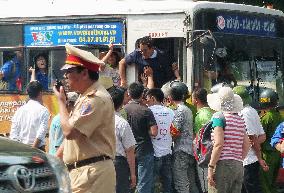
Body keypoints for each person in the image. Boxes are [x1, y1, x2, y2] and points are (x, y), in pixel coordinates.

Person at [53, 43, 116, 193]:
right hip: (83, 173)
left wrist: (61, 103)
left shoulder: (94, 99)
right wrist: (56, 159)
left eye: (69, 71)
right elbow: (76, 137)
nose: (65, 76)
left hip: (92, 173)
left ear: (84, 73)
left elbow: (70, 132)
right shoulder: (85, 97)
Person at [207, 86, 250, 193]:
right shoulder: (240, 120)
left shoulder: (218, 118)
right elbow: (247, 144)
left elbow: (219, 144)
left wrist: (211, 167)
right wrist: (237, 158)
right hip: (238, 166)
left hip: (222, 165)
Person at [233, 85, 268, 193]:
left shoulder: (245, 113)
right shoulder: (252, 111)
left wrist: (260, 157)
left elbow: (252, 138)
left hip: (247, 161)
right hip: (249, 160)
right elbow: (262, 137)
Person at [124, 82, 158, 193]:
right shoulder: (146, 111)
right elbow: (154, 132)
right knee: (144, 182)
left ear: (129, 93)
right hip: (144, 149)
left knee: (129, 181)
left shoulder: (123, 109)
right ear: (142, 94)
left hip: (127, 149)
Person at [168, 85, 201, 193]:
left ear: (170, 98)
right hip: (189, 149)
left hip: (181, 150)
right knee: (191, 182)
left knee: (181, 183)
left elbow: (175, 131)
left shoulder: (180, 110)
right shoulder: (187, 109)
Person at [145, 88, 175, 193]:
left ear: (152, 98)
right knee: (167, 182)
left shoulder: (148, 111)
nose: (146, 101)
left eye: (147, 99)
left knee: (152, 184)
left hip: (154, 153)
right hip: (168, 151)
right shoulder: (170, 111)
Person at [9, 81, 50, 151]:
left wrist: (19, 150)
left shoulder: (19, 110)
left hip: (21, 150)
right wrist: (32, 150)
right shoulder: (44, 110)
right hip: (37, 150)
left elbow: (13, 133)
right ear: (41, 93)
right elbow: (41, 134)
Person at [259, 88, 283, 193]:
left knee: (265, 184)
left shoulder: (265, 118)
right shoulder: (280, 116)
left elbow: (260, 136)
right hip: (277, 153)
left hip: (267, 155)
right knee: (273, 182)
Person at [192, 88, 214, 193]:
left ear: (196, 100)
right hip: (213, 153)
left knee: (205, 184)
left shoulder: (201, 115)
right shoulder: (212, 112)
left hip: (205, 154)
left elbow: (199, 138)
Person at [48, 92, 79, 156]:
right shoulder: (61, 121)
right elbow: (58, 147)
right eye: (76, 105)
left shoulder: (60, 118)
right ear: (69, 104)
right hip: (58, 160)